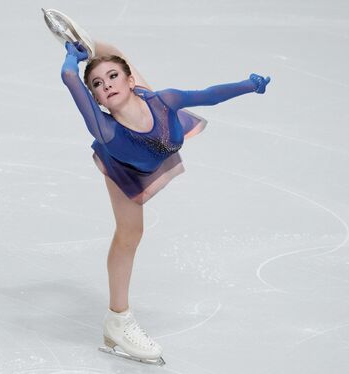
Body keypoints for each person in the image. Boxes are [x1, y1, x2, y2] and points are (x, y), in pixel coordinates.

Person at [43, 9, 270, 366]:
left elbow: (208, 95)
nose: (106, 86)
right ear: (98, 101)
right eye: (98, 87)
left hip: (157, 126)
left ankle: (88, 40)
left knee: (125, 70)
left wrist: (248, 85)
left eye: (113, 78)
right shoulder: (106, 130)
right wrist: (71, 61)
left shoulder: (161, 99)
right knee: (130, 234)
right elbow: (70, 79)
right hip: (126, 163)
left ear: (129, 81)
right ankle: (118, 320)